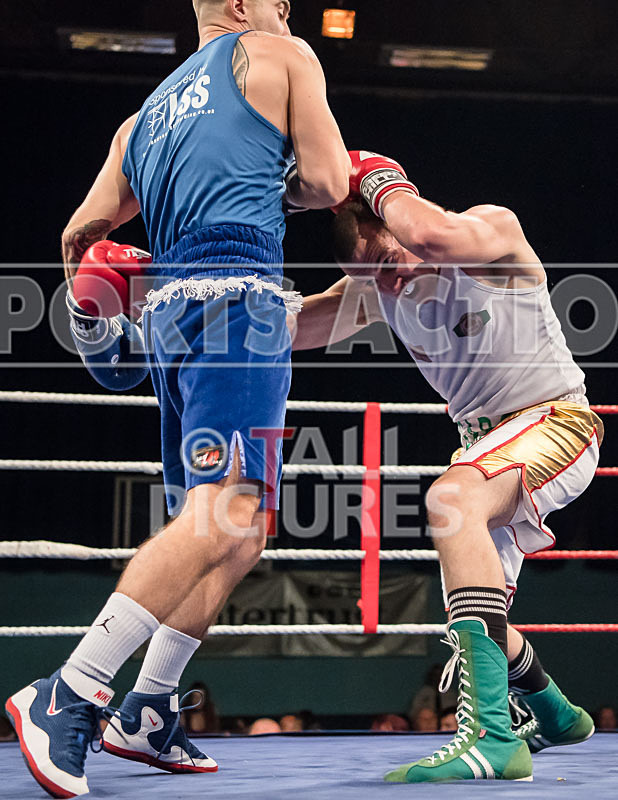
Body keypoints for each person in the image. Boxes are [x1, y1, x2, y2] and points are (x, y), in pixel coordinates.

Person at [5, 2, 350, 797]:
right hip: (240, 297)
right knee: (226, 506)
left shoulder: (141, 118)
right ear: (240, 4)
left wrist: (99, 329)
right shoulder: (281, 52)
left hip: (168, 320)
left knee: (236, 528)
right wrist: (281, 182)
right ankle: (70, 691)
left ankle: (149, 708)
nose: (288, 8)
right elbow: (330, 181)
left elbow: (79, 237)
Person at [293, 151, 601, 782]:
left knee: (451, 500)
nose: (390, 285)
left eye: (384, 263)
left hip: (553, 421)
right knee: (483, 616)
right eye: (371, 278)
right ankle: (556, 714)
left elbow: (431, 234)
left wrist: (376, 178)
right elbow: (291, 327)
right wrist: (162, 306)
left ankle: (491, 739)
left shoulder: (489, 235)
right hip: (482, 449)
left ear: (393, 218)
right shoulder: (381, 286)